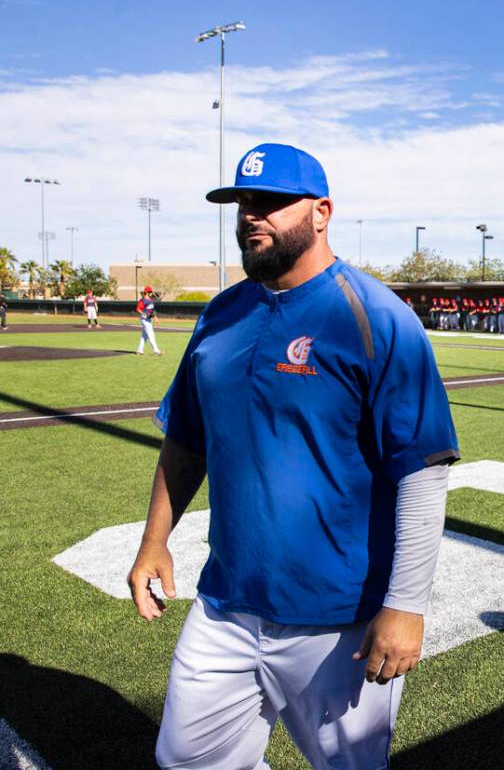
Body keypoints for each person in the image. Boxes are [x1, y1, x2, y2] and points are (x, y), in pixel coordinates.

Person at [127, 143, 460, 770]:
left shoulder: (376, 317)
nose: (252, 216)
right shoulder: (221, 315)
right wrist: (155, 540)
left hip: (340, 623)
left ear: (322, 212)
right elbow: (186, 440)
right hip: (226, 603)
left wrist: (406, 606)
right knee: (184, 761)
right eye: (243, 203)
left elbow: (422, 470)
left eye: (272, 203)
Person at [135, 285, 162, 356]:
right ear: (146, 292)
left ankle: (139, 351)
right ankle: (156, 350)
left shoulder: (151, 300)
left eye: (150, 292)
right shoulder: (142, 300)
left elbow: (152, 311)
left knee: (144, 336)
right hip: (144, 320)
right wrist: (143, 314)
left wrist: (156, 319)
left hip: (149, 319)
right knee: (151, 335)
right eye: (149, 292)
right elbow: (138, 309)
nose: (150, 293)